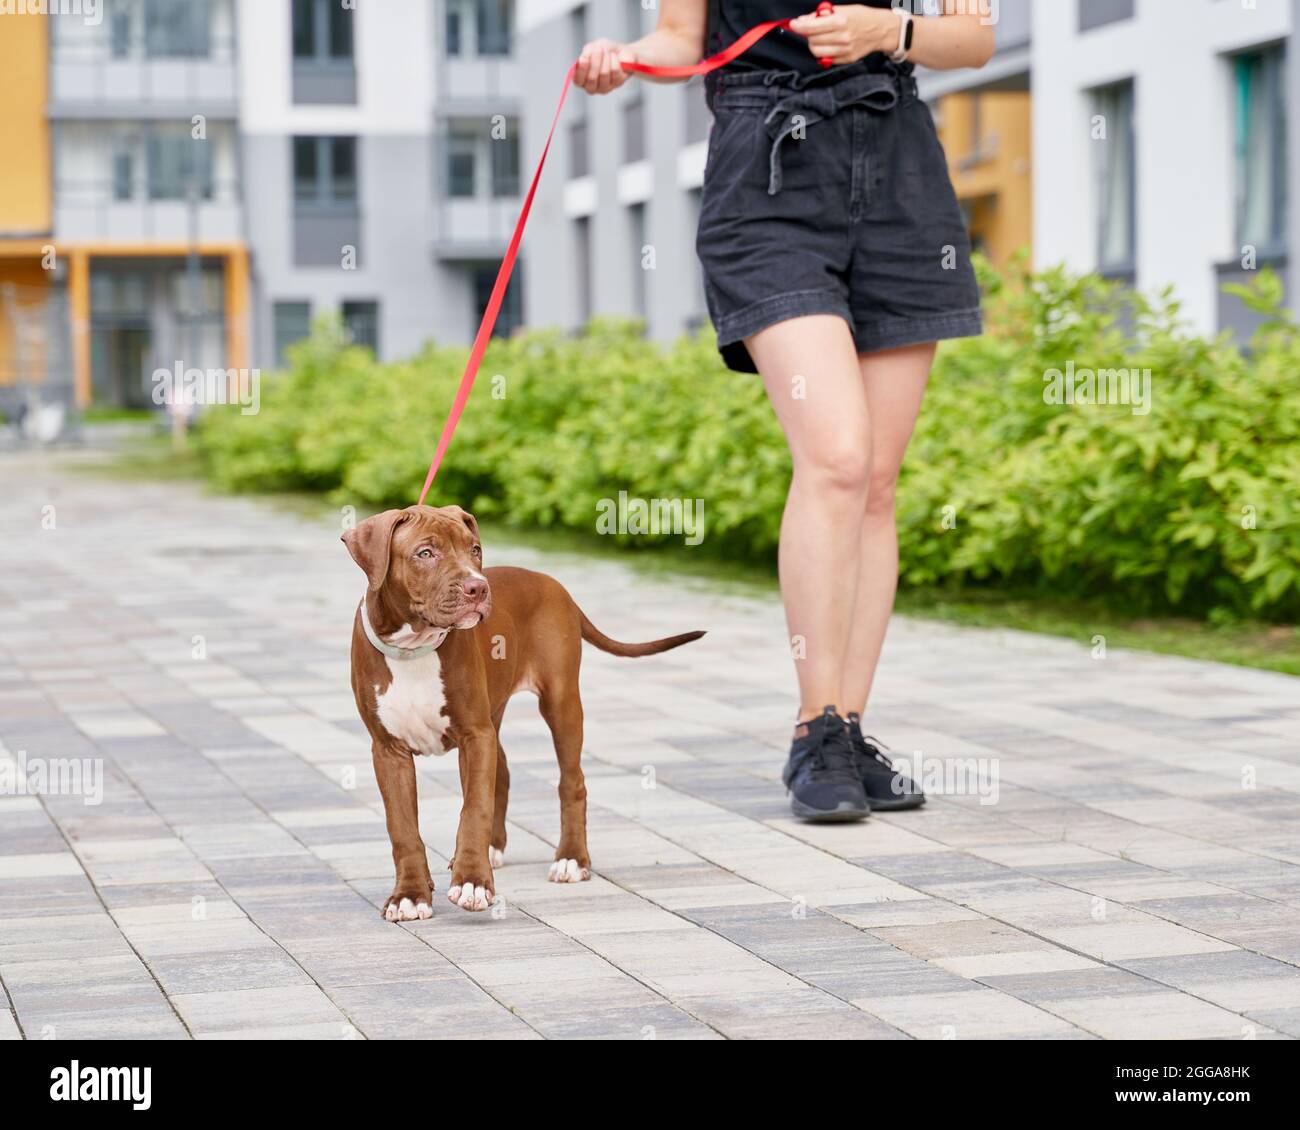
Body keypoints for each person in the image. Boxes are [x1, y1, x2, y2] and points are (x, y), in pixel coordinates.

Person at [576, 2, 993, 822]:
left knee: (875, 480)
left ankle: (849, 729)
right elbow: (679, 39)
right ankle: (816, 728)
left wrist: (889, 32)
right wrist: (623, 58)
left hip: (901, 174)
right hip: (767, 172)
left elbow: (974, 39)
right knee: (837, 456)